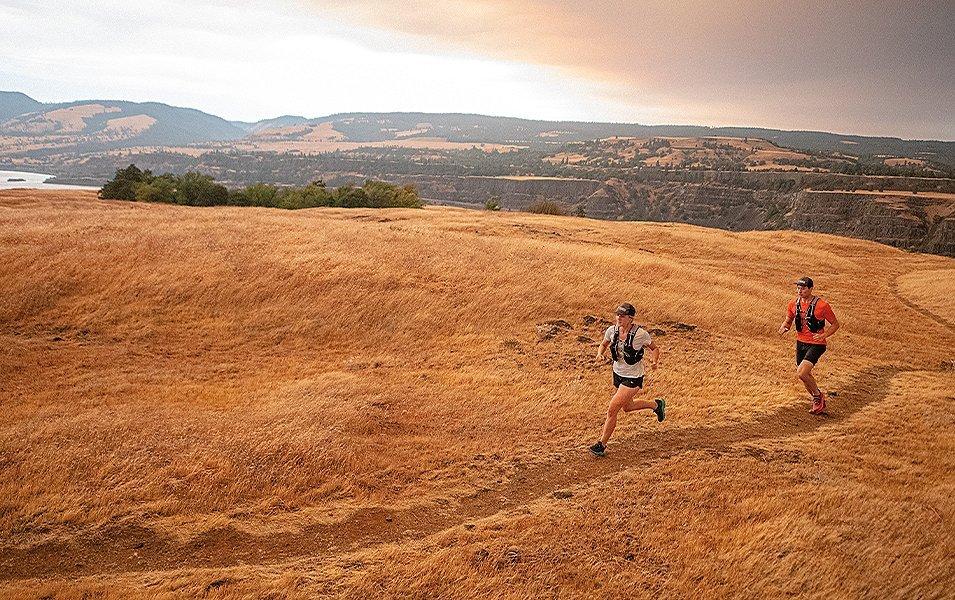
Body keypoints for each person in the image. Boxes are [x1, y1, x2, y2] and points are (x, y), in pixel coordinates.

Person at [589, 303, 664, 457]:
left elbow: (654, 348)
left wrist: (655, 362)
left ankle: (601, 445)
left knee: (612, 409)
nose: (619, 318)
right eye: (617, 315)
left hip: (633, 378)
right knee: (627, 407)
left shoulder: (640, 335)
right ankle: (656, 405)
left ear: (631, 318)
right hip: (618, 374)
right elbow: (603, 344)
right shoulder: (612, 331)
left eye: (622, 316)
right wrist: (599, 354)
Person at [778, 277, 840, 414]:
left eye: (803, 288)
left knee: (802, 373)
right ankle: (817, 401)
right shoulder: (793, 303)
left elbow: (835, 324)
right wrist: (785, 326)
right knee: (805, 375)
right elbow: (789, 320)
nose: (800, 291)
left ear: (811, 289)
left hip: (817, 344)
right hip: (801, 343)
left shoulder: (822, 306)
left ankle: (818, 396)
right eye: (798, 288)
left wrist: (824, 335)